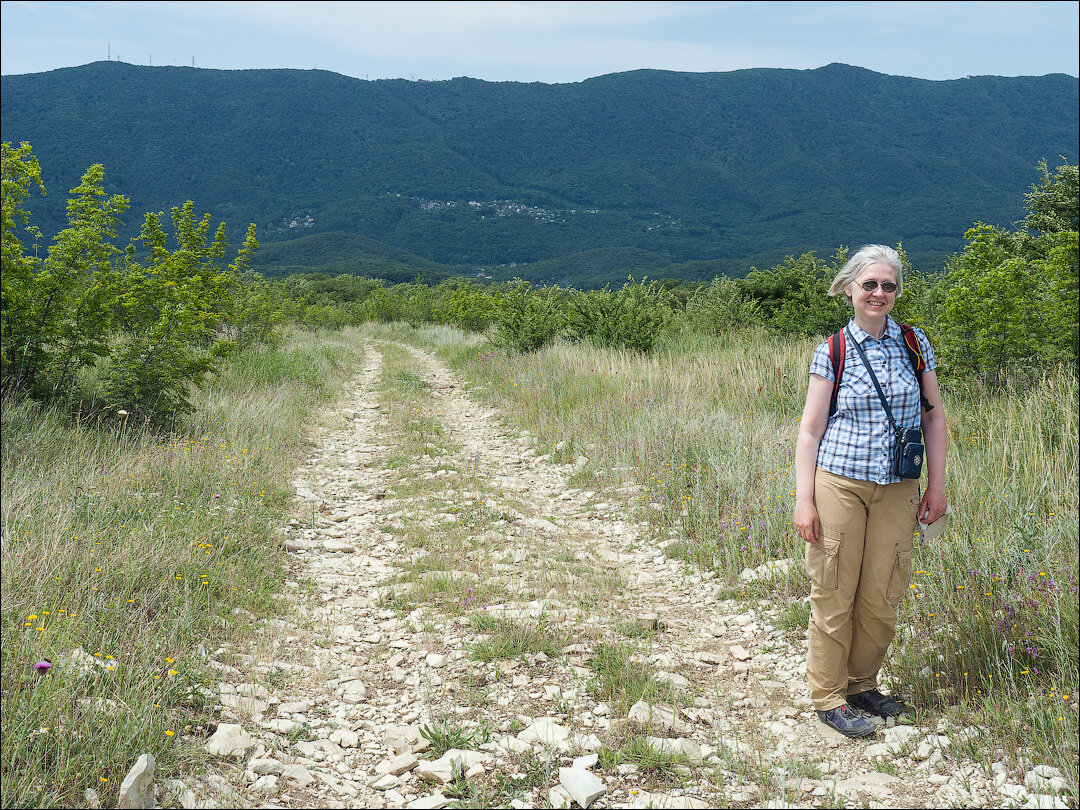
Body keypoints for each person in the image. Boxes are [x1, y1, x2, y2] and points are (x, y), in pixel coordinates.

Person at [793, 244, 948, 738]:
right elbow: (810, 430)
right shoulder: (833, 350)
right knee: (835, 590)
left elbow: (933, 417)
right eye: (870, 285)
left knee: (883, 593)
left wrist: (936, 487)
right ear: (849, 289)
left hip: (899, 486)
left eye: (888, 285)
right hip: (840, 482)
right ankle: (829, 698)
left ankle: (862, 685)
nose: (879, 293)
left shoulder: (914, 342)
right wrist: (804, 498)